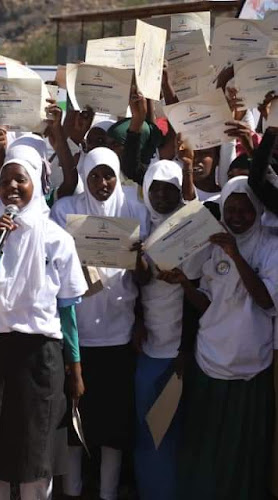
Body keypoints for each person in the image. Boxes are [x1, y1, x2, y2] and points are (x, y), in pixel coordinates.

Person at [0, 156, 87, 500]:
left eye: (20, 180)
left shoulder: (56, 238)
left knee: (35, 457)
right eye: (4, 182)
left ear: (37, 184)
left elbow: (67, 311)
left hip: (38, 358)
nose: (11, 188)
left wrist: (74, 367)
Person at [161, 177, 278, 500]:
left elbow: (267, 301)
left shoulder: (270, 247)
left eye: (245, 210)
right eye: (231, 209)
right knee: (207, 447)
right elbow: (208, 303)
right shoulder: (212, 244)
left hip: (250, 366)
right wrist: (185, 284)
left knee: (242, 453)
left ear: (257, 209)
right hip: (210, 361)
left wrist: (236, 255)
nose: (237, 216)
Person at [51, 147, 150, 500]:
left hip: (119, 334)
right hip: (78, 335)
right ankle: (73, 490)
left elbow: (146, 278)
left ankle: (108, 492)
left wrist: (138, 258)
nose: (102, 183)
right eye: (94, 175)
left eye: (108, 175)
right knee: (75, 424)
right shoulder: (65, 211)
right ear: (84, 176)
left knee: (113, 424)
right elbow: (52, 267)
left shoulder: (135, 211)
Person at [133, 159, 198, 500]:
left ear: (179, 192)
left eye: (169, 188)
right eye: (154, 187)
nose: (160, 195)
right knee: (148, 430)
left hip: (180, 352)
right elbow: (136, 285)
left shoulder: (192, 229)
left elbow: (197, 297)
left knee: (175, 431)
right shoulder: (138, 227)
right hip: (149, 349)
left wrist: (186, 350)